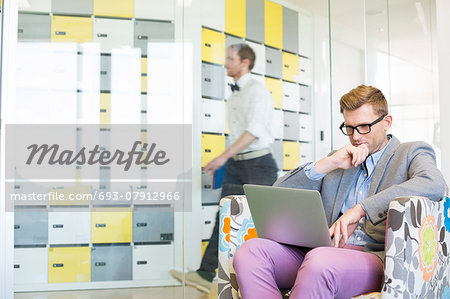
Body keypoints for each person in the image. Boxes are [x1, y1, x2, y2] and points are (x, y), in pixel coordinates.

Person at [232, 85, 448, 298]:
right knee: (250, 253)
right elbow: (278, 192)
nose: (355, 137)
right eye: (349, 128)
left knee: (320, 262)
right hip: (320, 249)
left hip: (372, 256)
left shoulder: (410, 152)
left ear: (386, 123)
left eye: (364, 127)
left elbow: (434, 183)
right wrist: (328, 163)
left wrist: (361, 209)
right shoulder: (341, 159)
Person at [170, 43, 279, 293]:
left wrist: (221, 157)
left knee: (263, 222)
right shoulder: (236, 93)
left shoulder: (257, 90)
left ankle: (267, 276)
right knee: (225, 217)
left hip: (259, 164)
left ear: (245, 63)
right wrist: (227, 158)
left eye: (230, 59)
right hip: (238, 164)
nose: (225, 63)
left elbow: (254, 132)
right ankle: (205, 273)